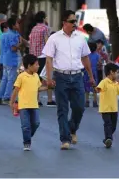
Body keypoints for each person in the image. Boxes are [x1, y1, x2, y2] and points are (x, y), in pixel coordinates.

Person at [43, 10, 95, 150]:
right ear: (64, 22)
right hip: (61, 77)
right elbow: (49, 59)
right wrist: (49, 78)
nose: (75, 24)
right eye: (72, 22)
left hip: (78, 76)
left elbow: (85, 58)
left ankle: (72, 129)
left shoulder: (80, 38)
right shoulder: (54, 38)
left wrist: (90, 76)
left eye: (75, 22)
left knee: (79, 107)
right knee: (62, 109)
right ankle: (65, 139)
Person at [10, 54, 48, 151]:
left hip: (34, 105)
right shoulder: (21, 76)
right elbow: (16, 90)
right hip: (23, 106)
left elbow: (38, 88)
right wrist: (12, 102)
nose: (38, 66)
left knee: (36, 123)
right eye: (36, 64)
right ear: (29, 66)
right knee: (25, 125)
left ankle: (28, 135)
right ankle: (27, 142)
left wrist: (48, 87)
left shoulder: (36, 76)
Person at [29, 11, 56, 107]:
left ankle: (37, 100)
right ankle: (49, 100)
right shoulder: (45, 28)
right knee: (47, 77)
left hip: (33, 56)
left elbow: (30, 41)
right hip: (43, 56)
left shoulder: (34, 29)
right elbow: (47, 42)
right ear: (44, 18)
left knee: (36, 78)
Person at [0, 18, 21, 105]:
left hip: (4, 59)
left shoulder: (4, 34)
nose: (18, 25)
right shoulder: (13, 36)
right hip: (11, 59)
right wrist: (20, 44)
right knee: (11, 79)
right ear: (13, 25)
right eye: (17, 23)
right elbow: (13, 48)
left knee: (4, 79)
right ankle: (6, 97)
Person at [83, 42, 99, 108]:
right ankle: (95, 101)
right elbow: (99, 63)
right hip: (94, 72)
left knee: (86, 87)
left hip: (86, 71)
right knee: (94, 86)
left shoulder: (86, 56)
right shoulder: (97, 55)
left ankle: (87, 101)